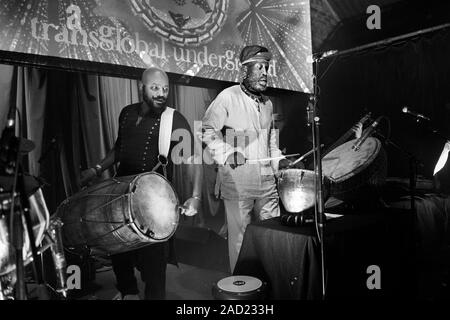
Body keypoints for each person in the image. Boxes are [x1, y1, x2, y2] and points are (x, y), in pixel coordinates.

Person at [80, 67, 202, 300]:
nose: (161, 93)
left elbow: (193, 160)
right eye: (154, 87)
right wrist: (96, 169)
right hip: (120, 196)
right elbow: (119, 148)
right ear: (141, 88)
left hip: (155, 203)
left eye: (165, 89)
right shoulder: (126, 113)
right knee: (118, 251)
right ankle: (128, 292)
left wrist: (196, 196)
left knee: (153, 264)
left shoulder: (173, 119)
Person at [199, 45, 297, 273]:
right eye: (259, 67)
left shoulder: (268, 104)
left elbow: (270, 143)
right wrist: (226, 153)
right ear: (244, 70)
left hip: (266, 183)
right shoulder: (228, 97)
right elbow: (206, 130)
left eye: (266, 67)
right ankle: (241, 289)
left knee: (272, 233)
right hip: (237, 183)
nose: (265, 72)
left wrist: (280, 161)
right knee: (240, 239)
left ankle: (270, 282)